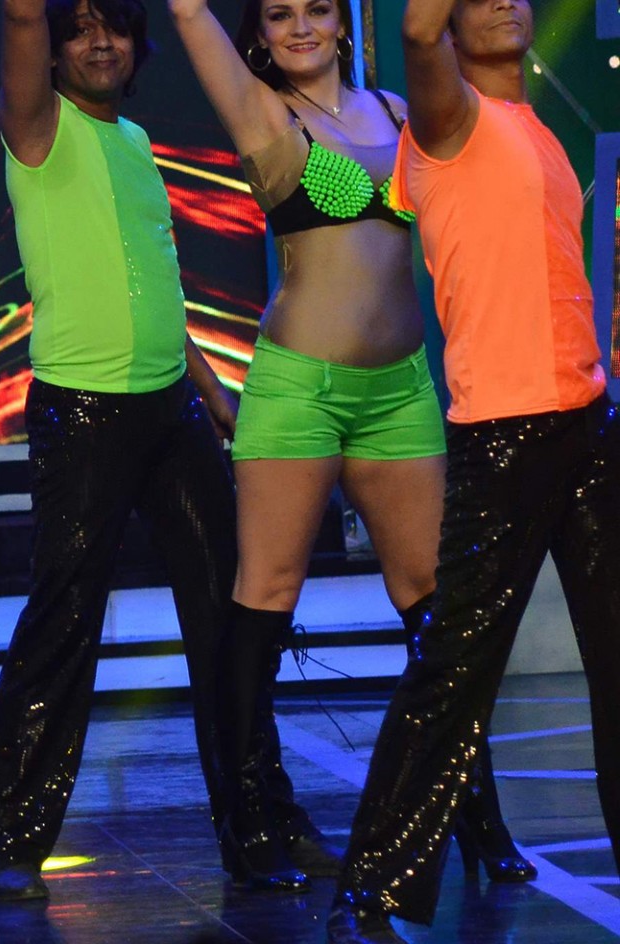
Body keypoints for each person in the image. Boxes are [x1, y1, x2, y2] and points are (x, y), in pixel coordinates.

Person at [0, 0, 331, 902]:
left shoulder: (134, 141)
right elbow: (20, 24)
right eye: (81, 28)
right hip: (83, 413)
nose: (101, 42)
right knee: (63, 622)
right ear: (55, 50)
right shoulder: (37, 130)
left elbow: (159, 292)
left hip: (172, 410)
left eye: (117, 29)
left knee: (229, 619)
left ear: (137, 49)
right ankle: (12, 840)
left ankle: (260, 824)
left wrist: (216, 400)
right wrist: (31, 17)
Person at [169, 0, 531, 890]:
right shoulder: (262, 112)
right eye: (279, 14)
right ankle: (249, 827)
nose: (300, 27)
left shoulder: (399, 112)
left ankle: (478, 818)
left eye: (317, 9)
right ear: (261, 33)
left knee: (435, 610)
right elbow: (187, 12)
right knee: (266, 595)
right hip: (300, 390)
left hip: (400, 390)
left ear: (342, 23)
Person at [324, 0, 620, 937]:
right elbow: (416, 36)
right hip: (503, 436)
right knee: (453, 674)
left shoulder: (540, 133)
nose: (503, 2)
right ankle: (372, 888)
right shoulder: (448, 120)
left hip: (585, 425)